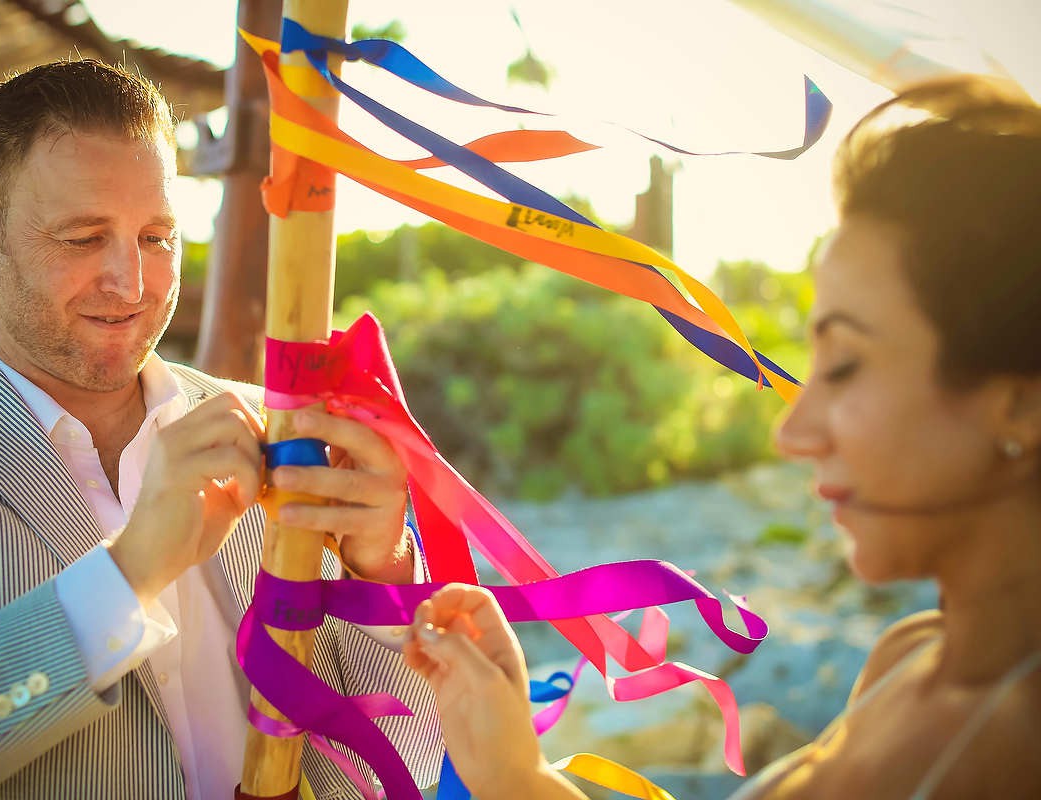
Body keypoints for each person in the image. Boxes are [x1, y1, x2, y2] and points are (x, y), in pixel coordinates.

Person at [404, 75, 1041, 799]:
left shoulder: (1018, 751)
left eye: (845, 365)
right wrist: (515, 772)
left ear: (1020, 404)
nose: (791, 433)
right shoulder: (907, 660)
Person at [0, 60, 440, 799]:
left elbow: (404, 761)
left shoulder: (271, 427)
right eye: (83, 237)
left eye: (157, 237)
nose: (132, 283)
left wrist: (382, 579)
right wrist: (128, 575)